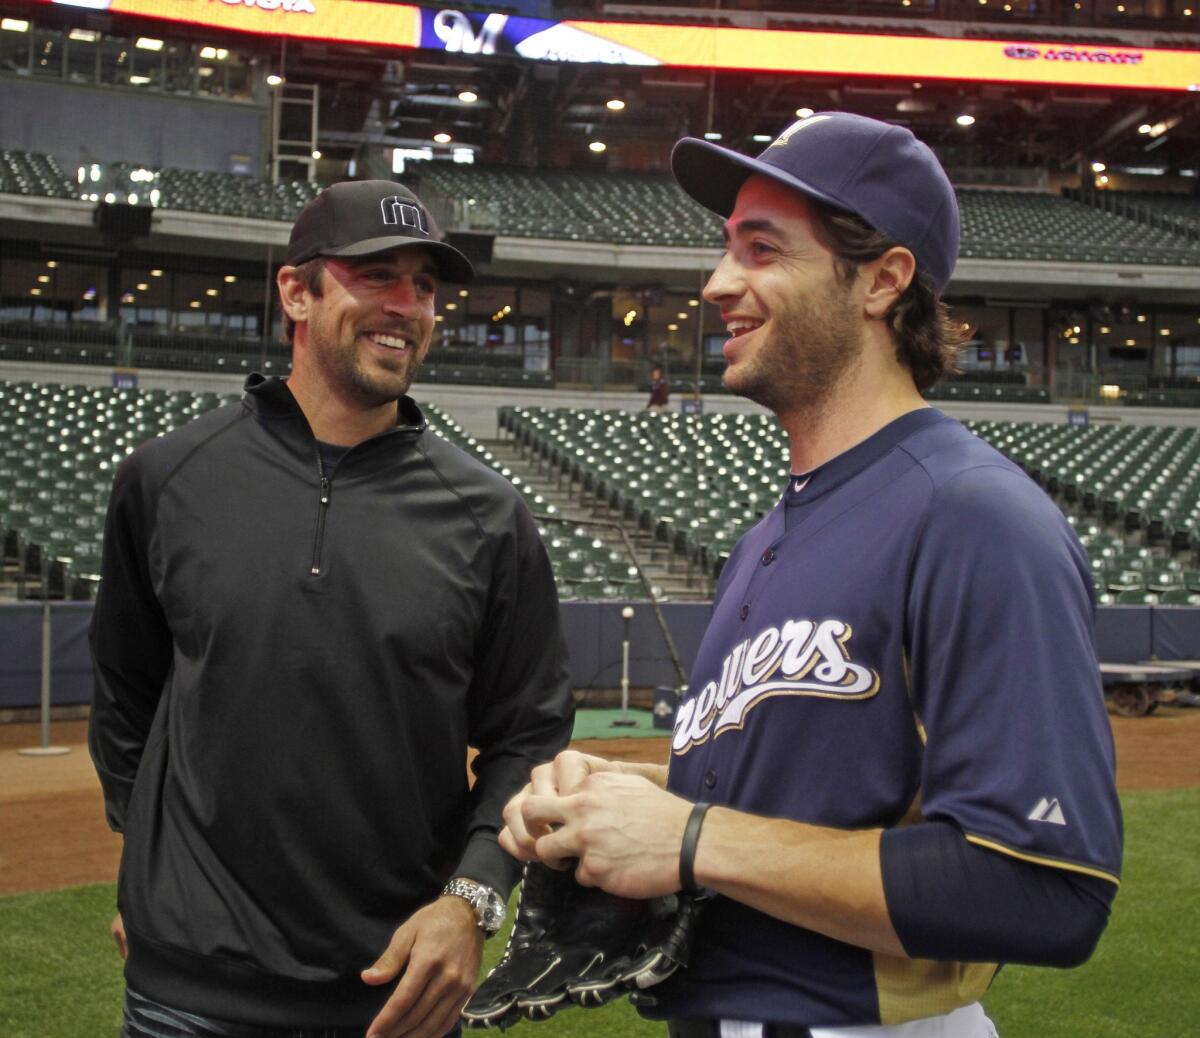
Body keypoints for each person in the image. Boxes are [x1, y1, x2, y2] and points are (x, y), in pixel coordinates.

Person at [499, 113, 1122, 1038]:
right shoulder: (767, 534)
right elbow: (785, 812)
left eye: (762, 250)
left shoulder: (972, 514)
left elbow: (1045, 885)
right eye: (725, 249)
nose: (716, 284)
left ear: (882, 280)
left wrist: (689, 839)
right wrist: (614, 805)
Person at [89, 179, 574, 1038]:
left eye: (424, 285)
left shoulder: (488, 515)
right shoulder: (168, 478)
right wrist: (151, 864)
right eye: (376, 276)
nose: (407, 305)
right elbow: (127, 691)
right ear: (296, 292)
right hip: (187, 996)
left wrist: (473, 900)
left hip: (393, 993)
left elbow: (528, 736)